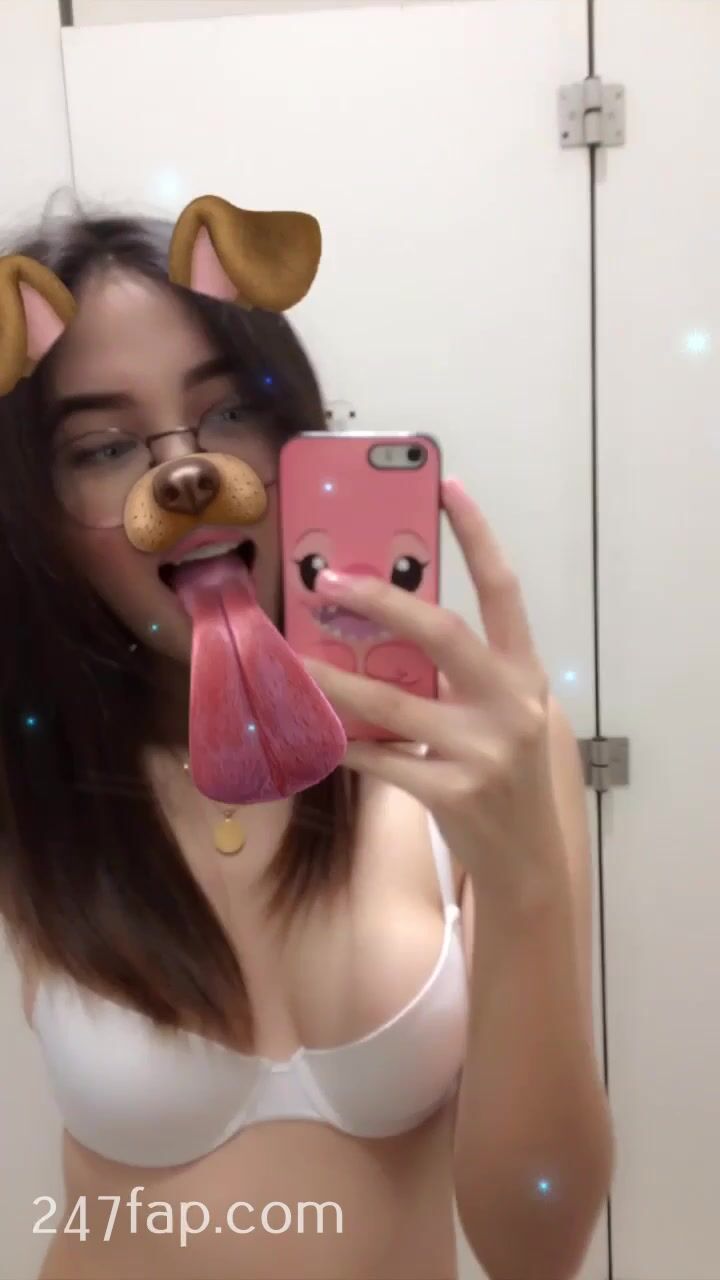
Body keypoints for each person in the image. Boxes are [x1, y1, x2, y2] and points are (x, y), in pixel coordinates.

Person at [0, 199, 613, 1280]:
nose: (184, 477)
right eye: (103, 446)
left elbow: (538, 1247)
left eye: (232, 411)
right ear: (37, 513)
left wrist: (529, 887)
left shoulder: (481, 753)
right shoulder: (30, 772)